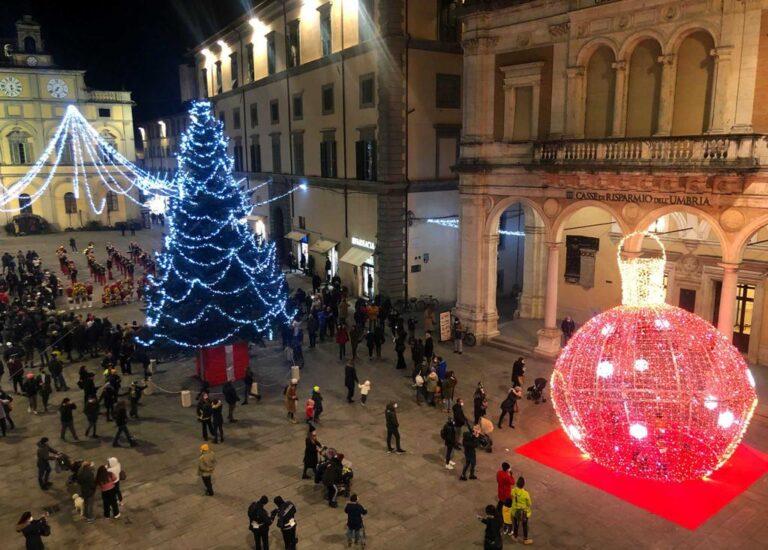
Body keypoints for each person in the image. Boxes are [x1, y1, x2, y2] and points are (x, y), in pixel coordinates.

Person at [511, 477, 533, 544]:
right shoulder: (526, 493)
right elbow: (529, 503)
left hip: (515, 511)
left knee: (516, 524)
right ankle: (525, 539)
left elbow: (512, 498)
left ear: (517, 483)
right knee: (524, 525)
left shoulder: (513, 490)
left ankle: (515, 536)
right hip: (523, 513)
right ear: (523, 484)